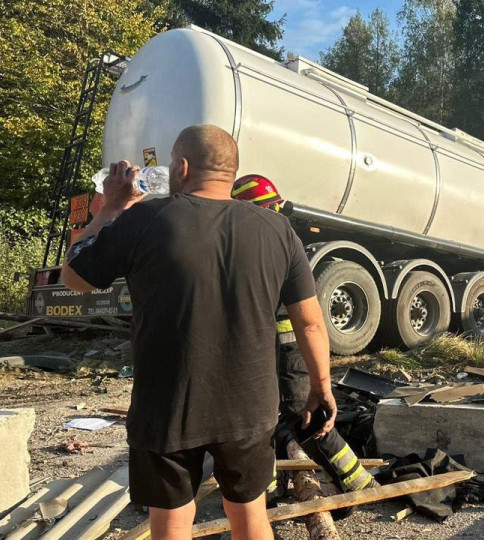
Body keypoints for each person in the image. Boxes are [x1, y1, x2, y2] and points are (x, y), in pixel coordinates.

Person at [61, 125, 336, 540]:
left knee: (172, 522)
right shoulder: (279, 231)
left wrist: (111, 207)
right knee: (250, 516)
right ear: (231, 172)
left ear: (182, 167)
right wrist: (321, 386)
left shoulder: (146, 218)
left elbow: (74, 279)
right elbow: (311, 322)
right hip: (249, 405)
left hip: (168, 406)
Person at [230, 174, 378, 503]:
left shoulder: (250, 247)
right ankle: (269, 492)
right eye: (270, 209)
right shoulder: (273, 244)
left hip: (283, 352)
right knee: (273, 419)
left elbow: (307, 322)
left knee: (302, 417)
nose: (276, 216)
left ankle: (358, 483)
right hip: (275, 353)